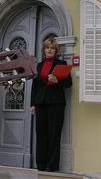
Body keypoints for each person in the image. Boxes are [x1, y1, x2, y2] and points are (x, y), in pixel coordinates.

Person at [30, 35, 72, 172]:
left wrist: (57, 82)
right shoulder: (39, 65)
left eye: (52, 48)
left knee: (54, 135)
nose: (49, 50)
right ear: (43, 50)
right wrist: (32, 104)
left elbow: (68, 84)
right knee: (41, 135)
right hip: (40, 103)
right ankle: (41, 165)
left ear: (56, 51)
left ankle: (52, 166)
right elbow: (34, 86)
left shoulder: (62, 64)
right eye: (47, 48)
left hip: (56, 104)